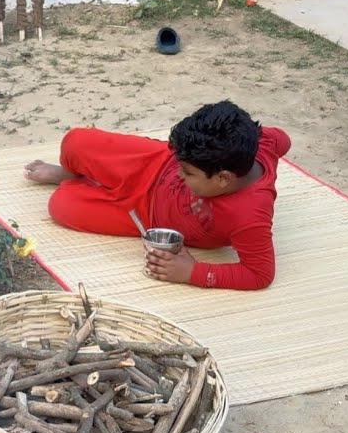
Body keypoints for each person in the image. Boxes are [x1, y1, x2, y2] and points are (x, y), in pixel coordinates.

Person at [23, 100, 292, 291]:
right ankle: (70, 173)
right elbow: (283, 138)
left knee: (61, 206)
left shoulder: (249, 216)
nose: (179, 175)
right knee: (76, 141)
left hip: (145, 215)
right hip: (152, 161)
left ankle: (82, 180)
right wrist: (180, 162)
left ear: (223, 178)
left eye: (187, 173)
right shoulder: (262, 142)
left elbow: (259, 274)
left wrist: (191, 272)